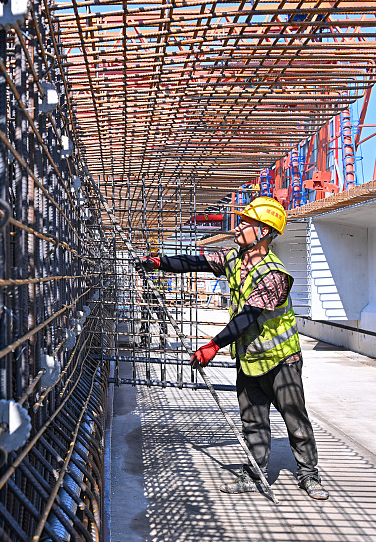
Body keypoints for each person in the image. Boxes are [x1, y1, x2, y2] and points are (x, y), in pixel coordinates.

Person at [134, 196, 329, 500]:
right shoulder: (235, 258)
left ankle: (309, 475)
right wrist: (160, 262)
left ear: (264, 232)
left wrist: (213, 345)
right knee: (252, 418)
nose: (239, 225)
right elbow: (196, 261)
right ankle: (255, 474)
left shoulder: (274, 275)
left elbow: (248, 316)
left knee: (294, 417)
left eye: (247, 222)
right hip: (249, 357)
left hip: (281, 360)